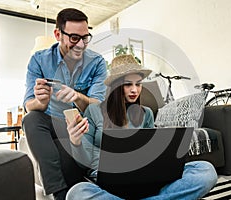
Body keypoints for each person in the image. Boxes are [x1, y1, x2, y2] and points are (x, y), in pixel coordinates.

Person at [65, 54, 218, 200]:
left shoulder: (147, 114)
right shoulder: (94, 111)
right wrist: (76, 142)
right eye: (128, 84)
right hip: (108, 185)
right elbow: (84, 162)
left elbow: (151, 154)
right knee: (77, 193)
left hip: (145, 180)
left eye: (138, 84)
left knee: (206, 170)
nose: (135, 90)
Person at [22, 8, 107, 200]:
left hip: (80, 124)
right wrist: (41, 101)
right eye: (74, 38)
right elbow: (29, 105)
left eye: (85, 38)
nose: (81, 45)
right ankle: (59, 193)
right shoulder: (39, 60)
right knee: (32, 119)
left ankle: (82, 187)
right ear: (57, 34)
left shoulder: (97, 63)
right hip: (50, 121)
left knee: (65, 152)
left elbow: (96, 106)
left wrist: (77, 96)